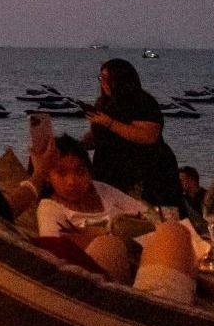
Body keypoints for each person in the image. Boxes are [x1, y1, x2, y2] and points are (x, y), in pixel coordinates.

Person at [32, 135, 198, 302]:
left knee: (172, 230)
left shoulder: (101, 190)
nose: (72, 181)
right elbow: (55, 252)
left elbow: (147, 214)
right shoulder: (50, 207)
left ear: (89, 173)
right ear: (47, 176)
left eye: (80, 171)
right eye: (61, 173)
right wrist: (106, 235)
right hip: (101, 279)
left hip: (140, 265)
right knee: (109, 245)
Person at [85, 59, 178, 206]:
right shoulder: (104, 103)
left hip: (143, 173)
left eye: (108, 79)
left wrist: (109, 123)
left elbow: (148, 136)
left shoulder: (142, 102)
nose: (103, 83)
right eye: (101, 78)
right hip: (108, 172)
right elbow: (98, 136)